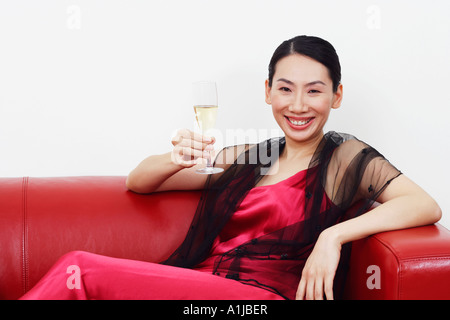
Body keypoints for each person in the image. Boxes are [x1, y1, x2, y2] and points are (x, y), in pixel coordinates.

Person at [21, 35, 441, 300]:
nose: (297, 105)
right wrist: (175, 158)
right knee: (79, 270)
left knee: (79, 268)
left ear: (336, 96)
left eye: (314, 91)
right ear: (267, 92)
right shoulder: (251, 157)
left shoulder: (344, 156)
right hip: (205, 288)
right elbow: (139, 182)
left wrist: (333, 236)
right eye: (285, 89)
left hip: (261, 297)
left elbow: (423, 204)